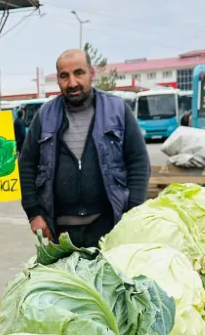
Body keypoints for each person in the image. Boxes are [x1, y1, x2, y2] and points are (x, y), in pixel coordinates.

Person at [19, 48, 151, 248]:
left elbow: (138, 162)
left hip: (109, 226)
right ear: (58, 79)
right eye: (64, 76)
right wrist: (34, 213)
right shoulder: (45, 115)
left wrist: (132, 212)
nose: (72, 83)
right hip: (60, 232)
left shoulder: (117, 110)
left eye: (79, 73)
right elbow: (27, 164)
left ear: (92, 73)